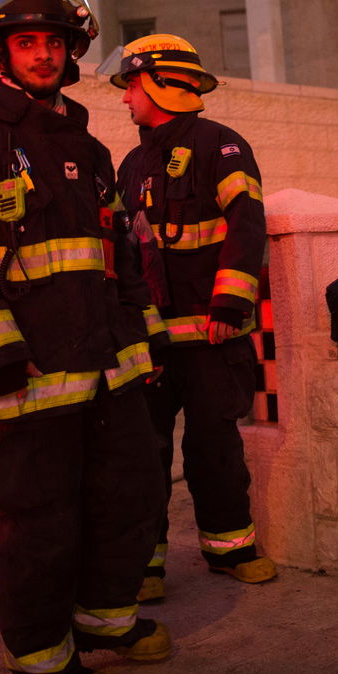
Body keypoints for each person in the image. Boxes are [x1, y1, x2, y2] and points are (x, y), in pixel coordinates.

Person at [0, 0, 168, 674]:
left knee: (130, 494)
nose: (42, 54)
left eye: (53, 42)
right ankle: (40, 657)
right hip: (23, 378)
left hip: (104, 372)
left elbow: (119, 250)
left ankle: (104, 620)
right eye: (26, 41)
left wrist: (141, 340)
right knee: (40, 521)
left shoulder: (88, 148)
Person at [104, 34, 277, 603]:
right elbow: (125, 252)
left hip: (211, 335)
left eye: (130, 85)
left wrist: (230, 304)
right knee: (142, 456)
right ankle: (145, 566)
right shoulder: (130, 164)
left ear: (156, 83)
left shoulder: (220, 146)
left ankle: (231, 551)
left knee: (214, 449)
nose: (126, 98)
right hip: (152, 343)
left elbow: (247, 228)